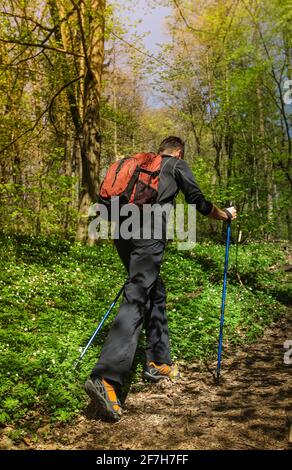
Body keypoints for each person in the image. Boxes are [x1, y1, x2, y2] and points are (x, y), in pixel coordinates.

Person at [85, 136, 237, 421]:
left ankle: (157, 360)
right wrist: (224, 215)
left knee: (154, 290)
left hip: (121, 232)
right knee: (138, 294)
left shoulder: (139, 166)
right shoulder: (176, 165)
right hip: (148, 233)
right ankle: (106, 378)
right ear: (178, 152)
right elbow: (197, 201)